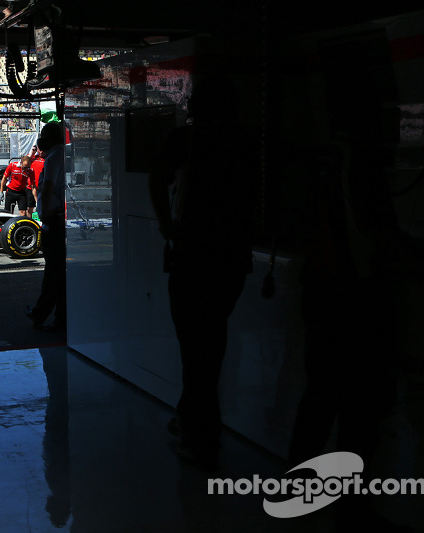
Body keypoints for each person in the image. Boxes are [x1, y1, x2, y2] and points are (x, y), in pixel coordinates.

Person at [148, 76, 256, 472]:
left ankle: (201, 439)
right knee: (211, 343)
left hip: (193, 255)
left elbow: (156, 182)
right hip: (232, 257)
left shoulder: (185, 139)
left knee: (195, 351)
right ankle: (191, 418)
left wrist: (166, 226)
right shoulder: (247, 141)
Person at [25, 123, 67, 331]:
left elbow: (48, 185)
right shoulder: (64, 154)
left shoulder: (53, 158)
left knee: (54, 271)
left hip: (54, 219)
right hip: (60, 218)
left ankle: (44, 314)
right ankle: (50, 314)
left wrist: (43, 213)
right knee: (57, 271)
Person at [27, 146, 44, 217]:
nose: (41, 152)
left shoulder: (47, 158)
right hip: (31, 186)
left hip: (42, 187)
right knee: (30, 207)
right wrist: (32, 152)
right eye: (39, 150)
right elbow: (24, 161)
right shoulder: (32, 158)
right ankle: (29, 222)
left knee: (43, 206)